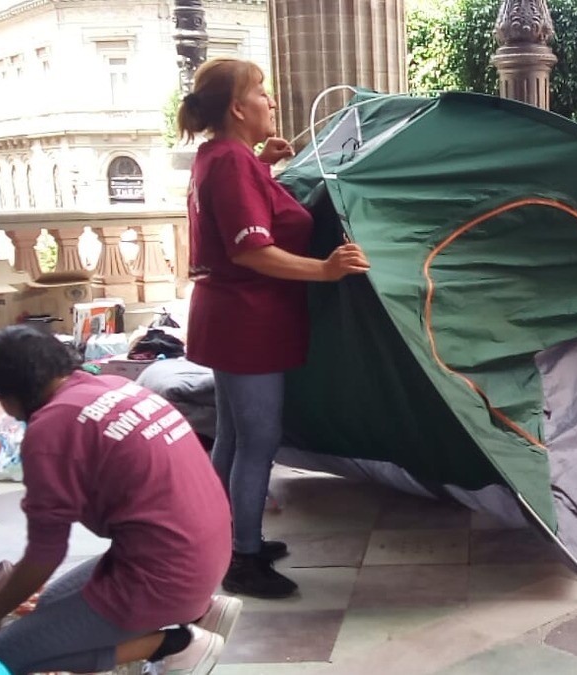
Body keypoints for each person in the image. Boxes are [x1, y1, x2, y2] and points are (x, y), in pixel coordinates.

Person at [177, 58, 371, 597]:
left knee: (236, 435)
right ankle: (240, 556)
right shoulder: (232, 163)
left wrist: (264, 164)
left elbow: (242, 214)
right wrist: (326, 270)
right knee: (257, 438)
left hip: (231, 315)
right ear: (238, 108)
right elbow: (252, 249)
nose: (273, 101)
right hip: (246, 319)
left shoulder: (223, 156)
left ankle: (222, 539)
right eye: (261, 91)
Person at [0, 326, 238, 675]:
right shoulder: (112, 385)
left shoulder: (50, 429)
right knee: (50, 603)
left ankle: (176, 643)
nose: (5, 410)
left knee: (0, 656)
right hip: (208, 551)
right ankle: (198, 610)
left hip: (168, 574)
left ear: (17, 390)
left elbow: (44, 554)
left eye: (0, 398)